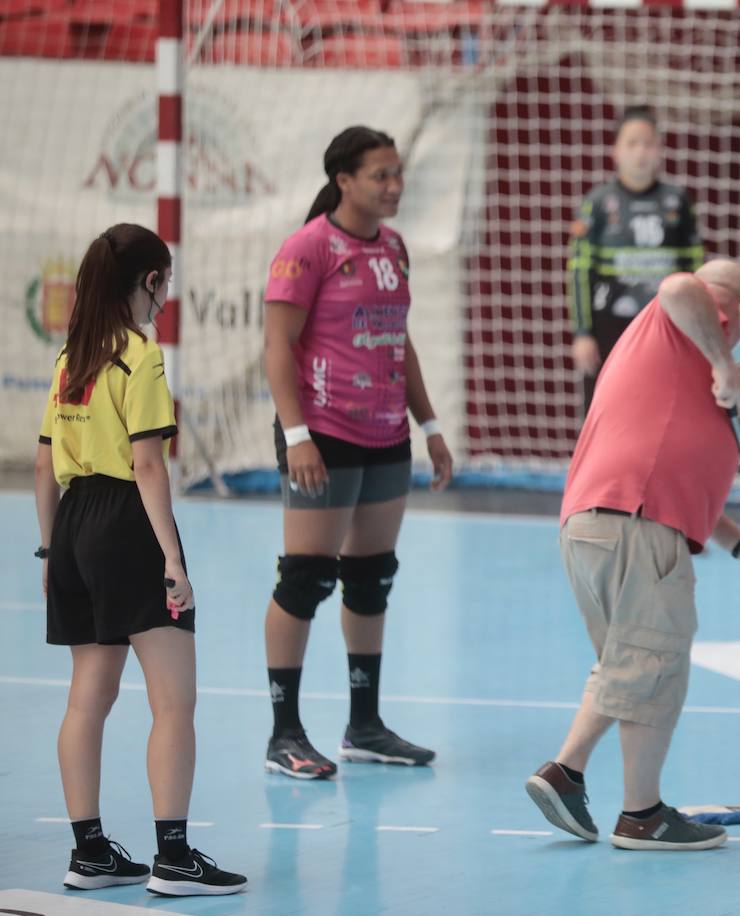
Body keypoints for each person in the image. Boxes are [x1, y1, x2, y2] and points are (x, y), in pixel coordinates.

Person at [526, 260, 740, 851]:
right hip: (633, 524)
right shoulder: (686, 321)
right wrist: (727, 360)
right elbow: (679, 287)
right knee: (649, 664)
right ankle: (582, 781)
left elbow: (679, 473)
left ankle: (628, 806)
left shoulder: (680, 368)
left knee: (637, 666)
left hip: (601, 524)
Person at [35, 224, 246, 896]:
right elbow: (149, 465)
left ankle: (90, 852)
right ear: (150, 281)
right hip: (127, 523)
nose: (167, 295)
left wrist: (50, 547)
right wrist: (173, 559)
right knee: (174, 702)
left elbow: (44, 463)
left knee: (86, 700)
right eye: (167, 281)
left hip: (72, 524)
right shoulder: (140, 356)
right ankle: (174, 857)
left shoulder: (72, 356)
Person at [261, 126, 454, 779]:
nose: (393, 185)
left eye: (397, 174)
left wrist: (428, 423)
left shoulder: (394, 248)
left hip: (385, 434)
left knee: (371, 578)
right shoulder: (308, 248)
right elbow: (277, 347)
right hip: (324, 433)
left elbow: (398, 340)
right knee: (306, 577)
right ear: (343, 179)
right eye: (380, 174)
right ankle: (284, 733)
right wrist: (296, 436)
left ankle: (364, 725)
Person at [567, 105, 705, 410]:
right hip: (609, 329)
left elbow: (696, 271)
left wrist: (699, 328)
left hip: (667, 327)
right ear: (616, 150)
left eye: (648, 142)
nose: (640, 151)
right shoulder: (598, 203)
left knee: (662, 408)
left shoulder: (677, 202)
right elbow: (579, 273)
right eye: (632, 143)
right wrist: (582, 333)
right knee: (605, 409)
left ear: (660, 150)